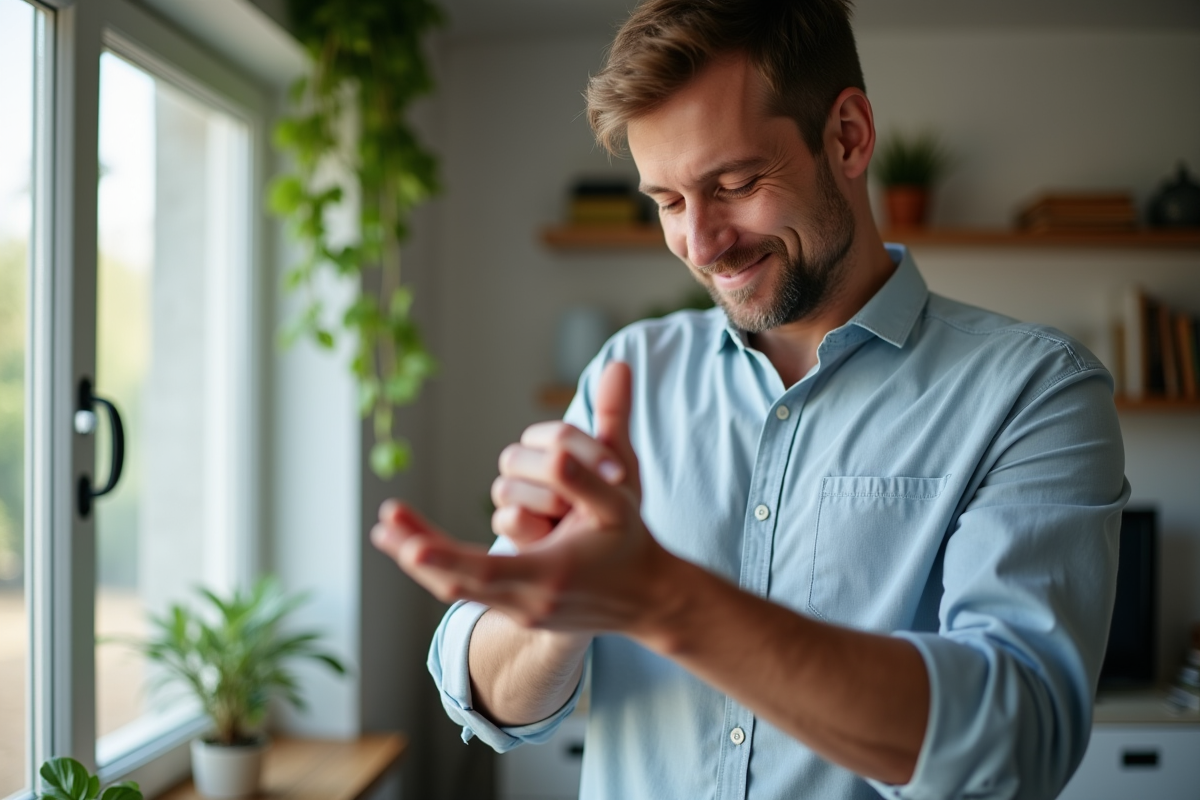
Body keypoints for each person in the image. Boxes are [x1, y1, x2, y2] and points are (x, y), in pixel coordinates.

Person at [371, 1, 1129, 798]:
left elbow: (1019, 745)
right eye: (666, 201)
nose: (699, 243)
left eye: (733, 183)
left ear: (847, 137)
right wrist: (559, 610)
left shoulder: (1034, 392)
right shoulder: (632, 369)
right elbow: (485, 697)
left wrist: (665, 599)